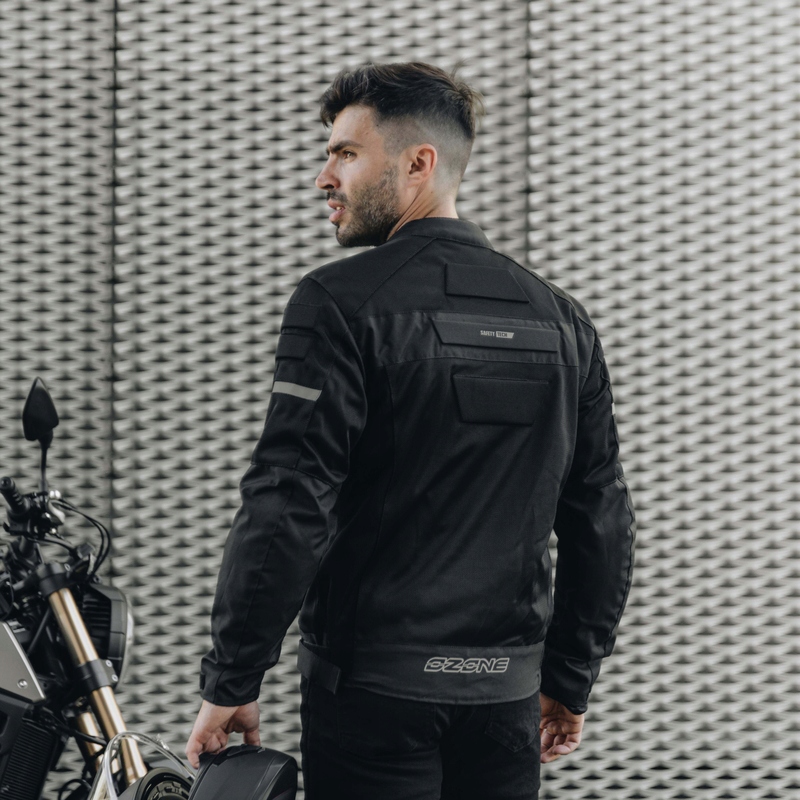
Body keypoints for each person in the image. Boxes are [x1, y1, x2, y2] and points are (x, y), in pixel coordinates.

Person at [186, 62, 635, 799]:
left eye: (346, 153)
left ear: (418, 163)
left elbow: (289, 503)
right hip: (507, 700)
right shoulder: (562, 320)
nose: (325, 177)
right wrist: (570, 676)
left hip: (374, 698)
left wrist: (233, 676)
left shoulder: (339, 302)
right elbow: (603, 516)